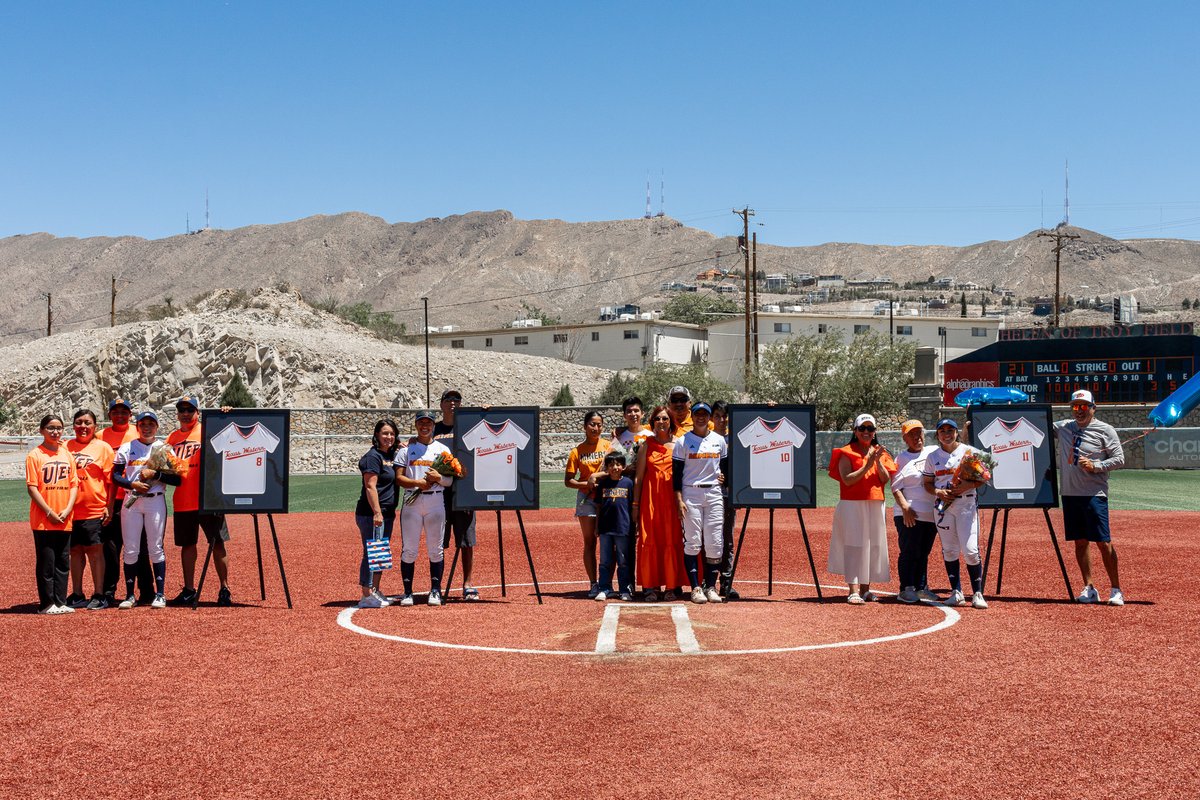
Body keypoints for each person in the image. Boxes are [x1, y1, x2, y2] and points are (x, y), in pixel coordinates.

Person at [1055, 389, 1126, 606]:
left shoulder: (1105, 430)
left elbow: (1119, 459)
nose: (1079, 411)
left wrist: (1096, 466)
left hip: (1094, 494)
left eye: (1084, 406)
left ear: (1093, 408)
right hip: (1069, 493)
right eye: (1075, 406)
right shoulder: (1063, 427)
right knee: (1080, 542)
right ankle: (1089, 587)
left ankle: (1116, 589)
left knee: (1103, 542)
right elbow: (1036, 424)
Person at [167, 396, 233, 607]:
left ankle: (224, 588)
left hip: (208, 499)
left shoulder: (208, 429)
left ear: (197, 412)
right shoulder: (172, 437)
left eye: (190, 409)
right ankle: (188, 590)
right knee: (187, 545)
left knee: (217, 543)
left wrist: (226, 415)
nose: (185, 413)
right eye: (182, 410)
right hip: (183, 500)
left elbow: (230, 435)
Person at [112, 411, 181, 609]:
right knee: (131, 549)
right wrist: (132, 485)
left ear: (157, 427)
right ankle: (129, 595)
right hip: (132, 501)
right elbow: (115, 476)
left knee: (155, 548)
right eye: (143, 424)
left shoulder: (164, 448)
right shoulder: (127, 447)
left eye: (151, 424)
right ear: (137, 426)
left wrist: (157, 474)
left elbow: (177, 479)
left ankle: (160, 594)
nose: (147, 427)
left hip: (155, 501)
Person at [828, 413, 897, 605]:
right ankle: (853, 590)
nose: (866, 432)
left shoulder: (881, 453)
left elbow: (884, 479)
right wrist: (867, 466)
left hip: (875, 503)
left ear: (875, 432)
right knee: (854, 544)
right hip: (852, 503)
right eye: (862, 428)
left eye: (870, 429)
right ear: (855, 431)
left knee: (873, 544)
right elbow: (847, 479)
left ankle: (866, 589)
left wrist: (875, 462)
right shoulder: (846, 452)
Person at [922, 418, 988, 609]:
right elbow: (927, 483)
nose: (946, 434)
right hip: (943, 506)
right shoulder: (932, 457)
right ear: (937, 435)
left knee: (970, 551)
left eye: (950, 430)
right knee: (950, 549)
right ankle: (956, 592)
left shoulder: (969, 452)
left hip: (966, 504)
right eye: (942, 431)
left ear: (957, 432)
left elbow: (983, 476)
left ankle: (977, 593)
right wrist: (937, 491)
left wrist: (970, 484)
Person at [396, 411, 456, 606]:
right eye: (421, 423)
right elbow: (399, 478)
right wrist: (417, 482)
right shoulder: (406, 449)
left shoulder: (442, 449)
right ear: (416, 425)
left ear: (433, 426)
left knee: (436, 550)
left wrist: (439, 478)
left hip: (436, 501)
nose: (425, 426)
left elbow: (449, 481)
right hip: (412, 502)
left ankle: (435, 591)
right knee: (409, 550)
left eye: (428, 423)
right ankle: (407, 592)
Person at [98, 398, 154, 606]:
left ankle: (146, 591)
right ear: (109, 414)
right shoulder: (100, 436)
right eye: (115, 412)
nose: (119, 415)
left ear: (130, 415)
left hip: (136, 499)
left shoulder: (138, 433)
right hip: (112, 500)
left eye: (124, 412)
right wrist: (108, 503)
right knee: (111, 549)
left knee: (140, 548)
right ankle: (108, 592)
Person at [672, 401, 729, 604]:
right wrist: (679, 499)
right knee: (693, 541)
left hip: (714, 494)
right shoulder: (683, 441)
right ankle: (695, 587)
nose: (701, 417)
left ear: (709, 417)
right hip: (691, 494)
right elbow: (676, 475)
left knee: (714, 543)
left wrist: (725, 478)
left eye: (705, 414)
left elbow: (725, 467)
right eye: (697, 414)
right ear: (693, 416)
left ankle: (711, 586)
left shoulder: (719, 440)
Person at [633, 405, 689, 602]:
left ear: (671, 422)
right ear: (653, 422)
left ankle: (672, 586)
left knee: (671, 540)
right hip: (650, 501)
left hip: (671, 501)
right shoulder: (645, 446)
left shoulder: (679, 445)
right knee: (649, 539)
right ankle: (651, 586)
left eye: (665, 419)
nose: (662, 422)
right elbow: (639, 478)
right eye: (658, 419)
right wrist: (635, 505)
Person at [26, 415, 79, 614]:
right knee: (47, 562)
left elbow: (74, 485)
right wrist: (48, 511)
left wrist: (67, 510)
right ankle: (47, 604)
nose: (55, 432)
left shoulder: (66, 454)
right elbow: (32, 488)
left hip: (64, 517)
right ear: (42, 430)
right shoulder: (35, 455)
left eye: (58, 428)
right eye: (50, 428)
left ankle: (60, 601)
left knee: (63, 561)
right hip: (44, 519)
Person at [64, 409, 114, 610]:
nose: (83, 427)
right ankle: (77, 593)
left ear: (95, 427)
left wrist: (109, 506)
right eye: (79, 423)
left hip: (94, 508)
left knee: (95, 552)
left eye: (87, 423)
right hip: (70, 510)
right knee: (75, 552)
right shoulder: (65, 447)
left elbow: (111, 482)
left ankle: (99, 593)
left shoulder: (103, 448)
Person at [433, 389, 479, 600]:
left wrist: (487, 412)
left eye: (456, 399)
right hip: (439, 491)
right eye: (448, 399)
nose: (453, 402)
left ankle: (468, 583)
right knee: (437, 540)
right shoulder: (434, 429)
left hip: (464, 491)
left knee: (466, 539)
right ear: (441, 404)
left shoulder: (469, 426)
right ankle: (436, 584)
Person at [890, 419, 940, 604]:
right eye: (911, 434)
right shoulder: (901, 459)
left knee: (923, 552)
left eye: (919, 432)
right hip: (909, 512)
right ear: (905, 438)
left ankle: (921, 588)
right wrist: (905, 509)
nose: (916, 436)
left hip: (930, 512)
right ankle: (906, 588)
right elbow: (895, 487)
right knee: (909, 551)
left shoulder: (933, 452)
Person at [565, 410, 612, 598]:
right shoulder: (577, 451)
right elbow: (568, 481)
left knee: (609, 542)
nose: (596, 428)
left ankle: (607, 582)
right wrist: (587, 484)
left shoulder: (609, 447)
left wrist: (597, 478)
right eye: (592, 424)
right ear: (585, 426)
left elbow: (615, 469)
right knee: (590, 542)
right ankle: (593, 583)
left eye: (599, 424)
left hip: (608, 498)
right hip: (587, 500)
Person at [355, 419, 399, 609]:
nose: (388, 437)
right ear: (377, 435)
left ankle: (376, 590)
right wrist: (377, 513)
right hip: (371, 513)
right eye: (385, 433)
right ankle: (366, 594)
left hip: (388, 513)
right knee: (371, 552)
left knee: (380, 552)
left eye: (391, 433)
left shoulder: (390, 454)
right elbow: (370, 486)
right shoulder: (373, 457)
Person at [593, 452, 635, 601]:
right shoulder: (603, 484)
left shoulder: (629, 483)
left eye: (617, 464)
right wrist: (597, 526)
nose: (614, 468)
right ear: (607, 467)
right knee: (605, 560)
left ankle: (624, 589)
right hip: (605, 528)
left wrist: (631, 526)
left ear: (623, 466)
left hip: (622, 527)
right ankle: (605, 588)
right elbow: (598, 506)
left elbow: (632, 506)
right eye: (611, 465)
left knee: (623, 560)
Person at [710, 400, 738, 599]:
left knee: (727, 540)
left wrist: (770, 408)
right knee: (709, 539)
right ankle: (707, 582)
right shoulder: (705, 438)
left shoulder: (735, 438)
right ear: (712, 418)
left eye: (725, 416)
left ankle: (726, 583)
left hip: (729, 497)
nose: (722, 420)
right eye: (718, 416)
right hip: (708, 496)